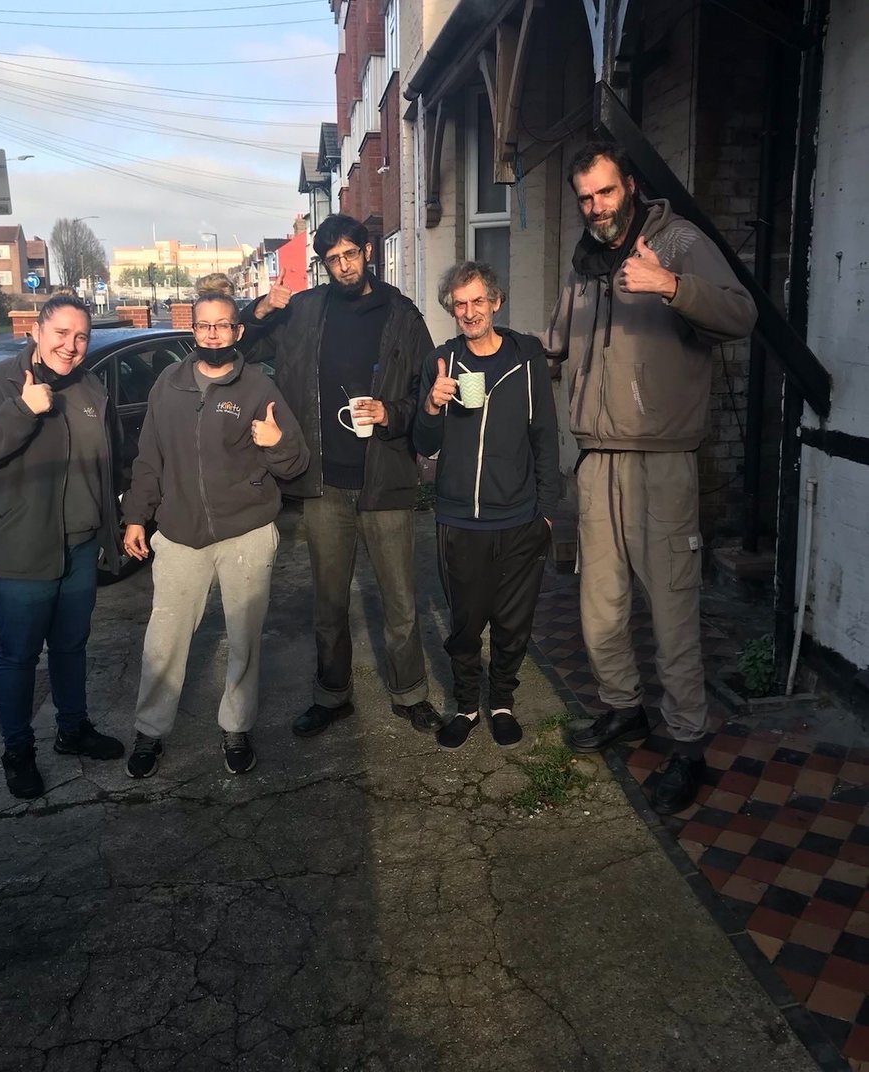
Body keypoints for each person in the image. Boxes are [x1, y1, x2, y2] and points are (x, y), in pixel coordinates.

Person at [542, 140, 758, 814]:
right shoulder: (582, 265)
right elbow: (555, 346)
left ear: (629, 187)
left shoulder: (679, 241)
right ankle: (623, 709)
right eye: (585, 197)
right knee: (600, 605)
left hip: (660, 461)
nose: (596, 207)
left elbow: (741, 315)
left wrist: (670, 285)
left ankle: (689, 745)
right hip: (595, 459)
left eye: (605, 192)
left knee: (670, 608)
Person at [242, 213, 442, 738]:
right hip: (323, 483)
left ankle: (411, 693)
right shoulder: (305, 311)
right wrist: (262, 307)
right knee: (328, 602)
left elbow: (426, 391)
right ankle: (332, 696)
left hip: (385, 481)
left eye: (350, 254)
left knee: (400, 600)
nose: (343, 265)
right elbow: (245, 345)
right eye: (332, 259)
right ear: (323, 264)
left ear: (368, 251)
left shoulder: (402, 315)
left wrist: (391, 414)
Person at [121, 292, 309, 777]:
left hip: (246, 531)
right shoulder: (169, 384)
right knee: (164, 638)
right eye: (204, 325)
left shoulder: (258, 389)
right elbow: (149, 459)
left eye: (222, 325)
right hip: (181, 534)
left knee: (245, 639)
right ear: (194, 330)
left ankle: (236, 726)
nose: (212, 333)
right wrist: (137, 516)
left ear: (238, 332)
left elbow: (296, 462)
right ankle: (150, 730)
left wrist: (278, 443)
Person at [0, 295, 125, 800]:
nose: (71, 346)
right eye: (60, 333)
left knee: (71, 646)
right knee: (17, 657)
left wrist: (115, 524)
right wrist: (22, 411)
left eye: (80, 337)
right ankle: (18, 751)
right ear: (36, 331)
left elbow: (110, 458)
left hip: (79, 547)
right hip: (19, 551)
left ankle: (72, 729)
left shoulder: (89, 385)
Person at [414, 262, 559, 749]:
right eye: (460, 304)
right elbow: (423, 441)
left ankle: (502, 703)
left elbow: (545, 436)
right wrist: (433, 404)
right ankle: (466, 706)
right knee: (465, 623)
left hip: (519, 518)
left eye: (479, 301)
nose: (470, 312)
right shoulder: (441, 362)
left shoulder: (526, 357)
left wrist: (546, 511)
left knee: (513, 623)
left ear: (495, 302)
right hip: (460, 519)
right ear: (451, 310)